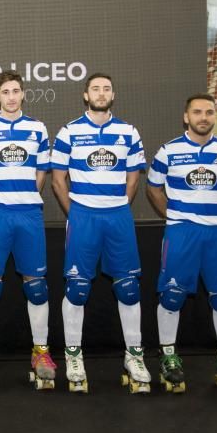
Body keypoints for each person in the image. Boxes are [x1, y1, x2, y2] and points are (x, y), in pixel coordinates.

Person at [50, 73, 149, 393]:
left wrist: (119, 205)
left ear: (113, 94)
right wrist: (76, 214)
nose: (101, 93)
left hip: (118, 215)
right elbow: (57, 180)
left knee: (129, 288)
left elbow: (134, 176)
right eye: (96, 88)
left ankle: (134, 355)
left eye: (107, 88)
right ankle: (73, 355)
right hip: (83, 215)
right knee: (77, 289)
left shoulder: (128, 131)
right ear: (85, 94)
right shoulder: (69, 131)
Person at [146, 94, 217, 394]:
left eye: (209, 112)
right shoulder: (169, 151)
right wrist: (176, 216)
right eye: (197, 112)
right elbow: (153, 189)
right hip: (182, 232)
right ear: (186, 117)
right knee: (173, 294)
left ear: (215, 116)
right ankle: (168, 356)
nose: (204, 117)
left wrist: (209, 213)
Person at [0, 70, 53, 390]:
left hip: (29, 214)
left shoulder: (37, 128)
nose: (12, 96)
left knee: (36, 285)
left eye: (16, 90)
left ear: (23, 94)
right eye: (6, 91)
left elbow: (42, 172)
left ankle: (41, 352)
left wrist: (25, 198)